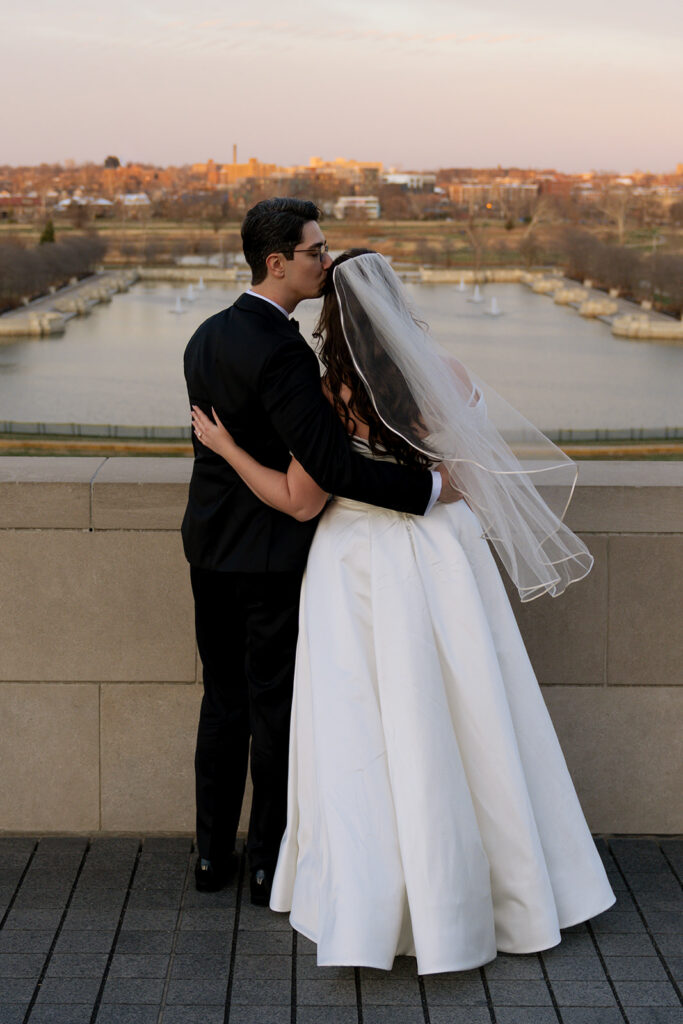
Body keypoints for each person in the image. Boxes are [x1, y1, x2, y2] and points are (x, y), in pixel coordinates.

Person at [191, 249, 616, 973]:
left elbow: (299, 499)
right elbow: (471, 479)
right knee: (473, 717)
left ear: (333, 314)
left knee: (361, 725)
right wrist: (434, 493)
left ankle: (371, 895)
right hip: (447, 561)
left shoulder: (330, 392)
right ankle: (503, 893)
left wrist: (227, 447)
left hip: (355, 566)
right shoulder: (447, 375)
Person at [182, 201, 457, 906]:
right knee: (271, 711)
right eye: (315, 250)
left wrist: (230, 452)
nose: (324, 260)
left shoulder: (205, 336)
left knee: (221, 703)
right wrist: (425, 489)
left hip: (211, 548)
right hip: (271, 554)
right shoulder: (284, 353)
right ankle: (269, 864)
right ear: (277, 262)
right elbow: (329, 468)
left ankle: (210, 857)